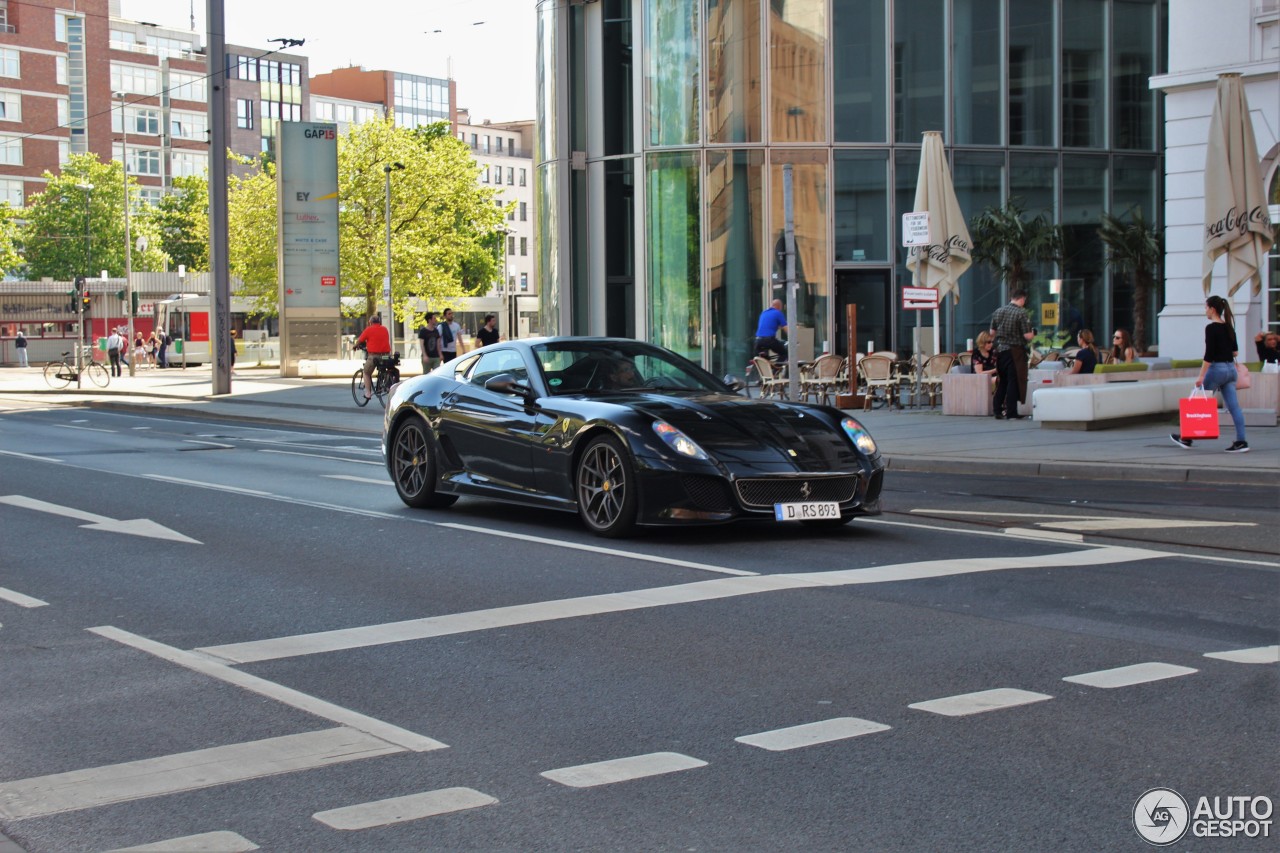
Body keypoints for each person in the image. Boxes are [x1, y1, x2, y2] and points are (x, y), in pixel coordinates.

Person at [1171, 295, 1248, 453]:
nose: (1205, 311)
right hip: (1231, 371)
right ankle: (1241, 441)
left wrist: (1201, 376)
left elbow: (1209, 355)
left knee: (1196, 402)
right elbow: (1235, 352)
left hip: (1216, 370)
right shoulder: (1228, 327)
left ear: (1212, 309)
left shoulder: (1211, 328)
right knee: (1234, 407)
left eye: (1206, 307)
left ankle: (1186, 437)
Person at [989, 289, 1035, 420]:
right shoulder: (1021, 313)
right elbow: (1027, 336)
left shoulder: (998, 311)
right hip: (1015, 352)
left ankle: (997, 409)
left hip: (1000, 351)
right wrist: (1034, 333)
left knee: (1002, 380)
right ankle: (1011, 412)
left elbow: (992, 333)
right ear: (1022, 299)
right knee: (1013, 381)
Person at [354, 315, 391, 399]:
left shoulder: (369, 329)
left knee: (366, 373)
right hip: (386, 356)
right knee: (384, 366)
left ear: (370, 322)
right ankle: (385, 382)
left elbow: (360, 340)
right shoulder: (384, 329)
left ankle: (368, 393)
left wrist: (355, 346)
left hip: (375, 356)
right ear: (379, 322)